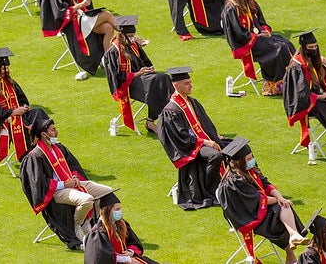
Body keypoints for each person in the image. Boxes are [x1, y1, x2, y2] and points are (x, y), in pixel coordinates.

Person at [20, 118, 114, 250]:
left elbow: (73, 166)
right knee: (87, 200)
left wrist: (74, 177)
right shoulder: (35, 156)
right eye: (53, 130)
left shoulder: (58, 148)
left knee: (107, 191)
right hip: (57, 191)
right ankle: (77, 225)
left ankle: (91, 224)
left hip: (73, 183)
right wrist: (65, 184)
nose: (57, 132)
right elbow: (39, 183)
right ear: (43, 134)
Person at [218, 138, 308, 264]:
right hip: (246, 215)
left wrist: (280, 197)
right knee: (278, 215)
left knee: (283, 206)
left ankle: (293, 236)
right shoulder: (234, 181)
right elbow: (257, 200)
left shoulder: (249, 169)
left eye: (251, 157)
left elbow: (266, 184)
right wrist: (278, 200)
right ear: (238, 161)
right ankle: (291, 249)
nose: (251, 160)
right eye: (248, 159)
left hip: (257, 208)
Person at [157, 66, 231, 210]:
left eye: (190, 82)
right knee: (216, 156)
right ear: (175, 85)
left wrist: (215, 137)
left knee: (236, 146)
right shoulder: (171, 110)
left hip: (205, 140)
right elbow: (181, 137)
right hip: (191, 147)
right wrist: (204, 142)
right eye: (187, 83)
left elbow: (206, 123)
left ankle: (240, 183)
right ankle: (210, 189)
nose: (191, 85)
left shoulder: (192, 102)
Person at [221, 0, 295, 96]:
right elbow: (237, 34)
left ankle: (291, 80)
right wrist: (256, 36)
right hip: (247, 44)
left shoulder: (250, 2)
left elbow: (261, 21)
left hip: (259, 38)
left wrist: (265, 30)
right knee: (278, 49)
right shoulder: (231, 9)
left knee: (285, 43)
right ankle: (274, 86)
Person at [0, 48, 49, 162]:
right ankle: (31, 158)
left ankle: (46, 148)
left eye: (6, 69)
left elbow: (22, 99)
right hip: (2, 123)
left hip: (19, 116)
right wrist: (11, 113)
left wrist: (24, 107)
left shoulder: (8, 81)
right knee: (26, 127)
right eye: (3, 69)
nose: (6, 71)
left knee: (39, 114)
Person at [41, 0, 113, 80]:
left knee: (108, 28)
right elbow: (61, 12)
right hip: (73, 23)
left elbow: (88, 7)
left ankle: (107, 59)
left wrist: (85, 5)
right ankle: (128, 35)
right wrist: (81, 5)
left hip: (84, 19)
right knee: (106, 14)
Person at [102, 16, 173, 135]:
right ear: (122, 35)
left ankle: (154, 120)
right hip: (128, 85)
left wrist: (149, 68)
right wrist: (138, 73)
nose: (132, 38)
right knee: (156, 83)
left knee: (165, 79)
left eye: (133, 35)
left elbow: (145, 61)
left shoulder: (134, 45)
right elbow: (116, 77)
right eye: (130, 36)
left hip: (144, 78)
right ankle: (157, 121)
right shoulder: (113, 52)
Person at [283, 29, 326, 156]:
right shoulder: (297, 66)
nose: (314, 49)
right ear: (303, 48)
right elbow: (300, 94)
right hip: (308, 103)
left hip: (321, 98)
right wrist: (319, 96)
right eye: (311, 47)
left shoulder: (313, 60)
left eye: (316, 46)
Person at [83, 190, 160, 264]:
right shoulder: (98, 233)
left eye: (120, 208)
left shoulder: (121, 224)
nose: (120, 211)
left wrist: (130, 252)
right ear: (107, 211)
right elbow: (101, 258)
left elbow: (133, 242)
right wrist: (126, 259)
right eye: (117, 209)